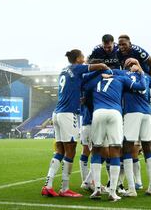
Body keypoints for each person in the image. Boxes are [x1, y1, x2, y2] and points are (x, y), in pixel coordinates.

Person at [41, 49, 109, 197]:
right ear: (78, 59)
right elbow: (99, 66)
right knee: (70, 150)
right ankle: (64, 189)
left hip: (57, 113)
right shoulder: (77, 68)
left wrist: (97, 75)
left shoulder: (64, 71)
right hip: (68, 114)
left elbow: (83, 81)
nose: (84, 60)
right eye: (83, 57)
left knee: (59, 150)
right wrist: (105, 67)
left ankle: (48, 185)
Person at [83, 61, 146, 202]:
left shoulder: (95, 81)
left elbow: (86, 96)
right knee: (116, 150)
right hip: (115, 113)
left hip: (98, 112)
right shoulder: (121, 79)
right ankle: (112, 192)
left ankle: (97, 189)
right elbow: (141, 86)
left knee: (96, 150)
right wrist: (141, 72)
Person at [118, 35, 151, 162]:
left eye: (124, 44)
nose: (121, 47)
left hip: (146, 80)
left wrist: (148, 81)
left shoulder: (138, 51)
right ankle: (138, 142)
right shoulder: (118, 53)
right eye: (119, 45)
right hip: (134, 82)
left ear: (129, 44)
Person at [121, 70, 151, 197]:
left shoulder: (123, 74)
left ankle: (132, 189)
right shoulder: (147, 77)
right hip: (146, 113)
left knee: (127, 148)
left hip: (132, 112)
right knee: (147, 148)